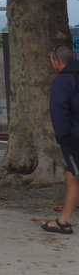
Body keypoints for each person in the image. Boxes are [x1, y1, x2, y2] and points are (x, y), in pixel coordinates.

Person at [43, 42, 79, 234]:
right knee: (71, 175)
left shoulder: (62, 82)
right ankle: (63, 220)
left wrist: (62, 138)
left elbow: (60, 113)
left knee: (73, 176)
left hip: (74, 138)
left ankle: (64, 221)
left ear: (56, 61)